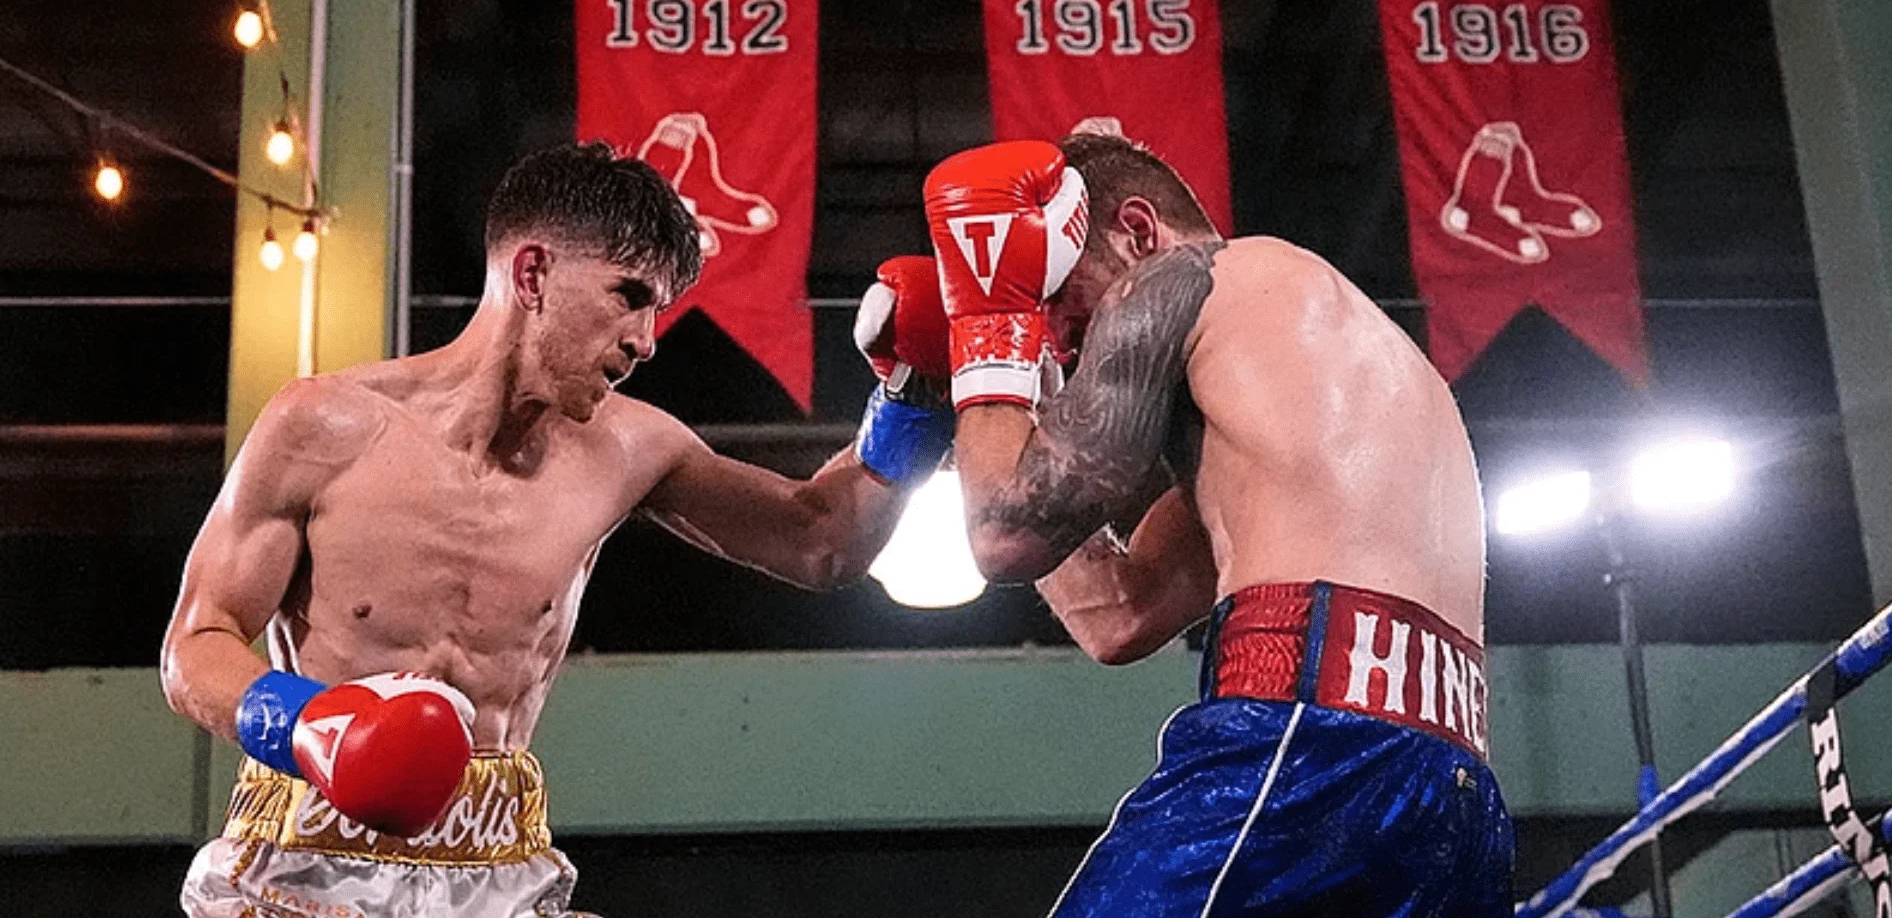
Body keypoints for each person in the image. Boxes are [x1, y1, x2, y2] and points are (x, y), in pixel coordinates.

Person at [161, 141, 953, 918]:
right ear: (532, 273)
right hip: (311, 849)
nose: (646, 342)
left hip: (495, 861)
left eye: (658, 312)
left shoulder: (631, 449)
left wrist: (916, 390)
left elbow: (826, 542)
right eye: (629, 296)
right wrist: (312, 727)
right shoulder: (322, 424)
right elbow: (197, 643)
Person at [921, 134, 1514, 916]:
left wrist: (986, 337)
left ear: (1138, 231)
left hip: (1307, 747)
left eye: (1066, 301)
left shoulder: (1184, 276)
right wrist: (1005, 409)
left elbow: (1004, 535)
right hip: (1458, 791)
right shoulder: (1327, 383)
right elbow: (1119, 615)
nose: (1065, 343)